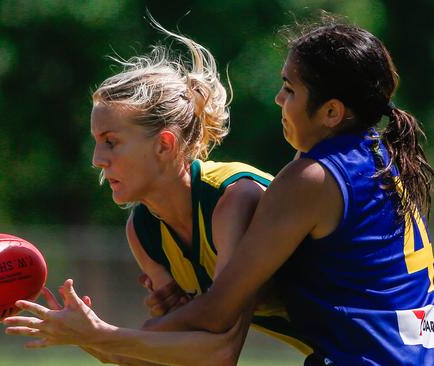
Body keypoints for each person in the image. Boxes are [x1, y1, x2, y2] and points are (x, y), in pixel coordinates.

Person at [3, 19, 312, 366]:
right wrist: (83, 336)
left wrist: (100, 333)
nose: (97, 160)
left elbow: (220, 354)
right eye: (96, 142)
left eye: (111, 142)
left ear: (165, 145)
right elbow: (163, 355)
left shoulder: (232, 199)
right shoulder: (144, 231)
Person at [141, 16, 434, 366]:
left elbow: (217, 313)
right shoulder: (382, 155)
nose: (279, 98)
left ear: (331, 112)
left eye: (290, 89)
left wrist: (106, 336)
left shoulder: (312, 178)